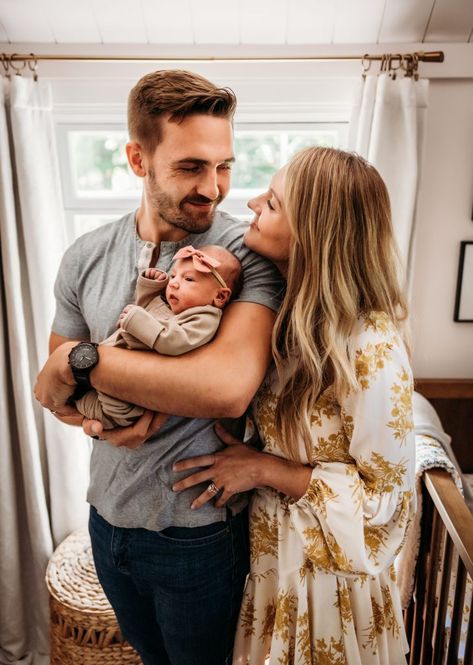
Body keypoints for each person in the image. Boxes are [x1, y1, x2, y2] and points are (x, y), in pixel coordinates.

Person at [34, 69, 283, 665]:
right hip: (106, 518)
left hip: (195, 530)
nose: (215, 187)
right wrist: (95, 418)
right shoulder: (86, 255)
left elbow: (224, 389)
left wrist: (83, 357)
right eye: (191, 167)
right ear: (138, 160)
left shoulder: (246, 254)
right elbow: (52, 389)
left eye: (223, 165)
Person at [172, 146, 416, 664]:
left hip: (329, 589)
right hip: (270, 564)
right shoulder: (286, 316)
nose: (253, 201)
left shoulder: (370, 347)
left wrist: (264, 467)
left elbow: (385, 506)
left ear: (314, 237)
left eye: (275, 203)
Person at [76, 244, 242, 429]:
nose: (173, 283)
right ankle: (78, 397)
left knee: (96, 403)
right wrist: (150, 287)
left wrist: (136, 319)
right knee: (81, 392)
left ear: (219, 296)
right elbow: (148, 311)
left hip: (125, 400)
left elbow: (172, 341)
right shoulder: (173, 309)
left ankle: (81, 403)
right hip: (111, 370)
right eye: (173, 275)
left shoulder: (204, 318)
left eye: (188, 279)